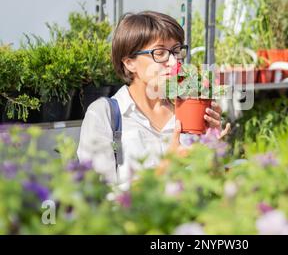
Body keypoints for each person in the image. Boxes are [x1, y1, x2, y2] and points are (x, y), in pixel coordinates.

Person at [77, 11, 230, 187]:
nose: (174, 62)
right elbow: (98, 199)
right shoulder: (105, 114)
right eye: (160, 52)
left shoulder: (188, 111)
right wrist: (167, 166)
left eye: (176, 51)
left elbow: (211, 185)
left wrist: (214, 146)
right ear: (129, 62)